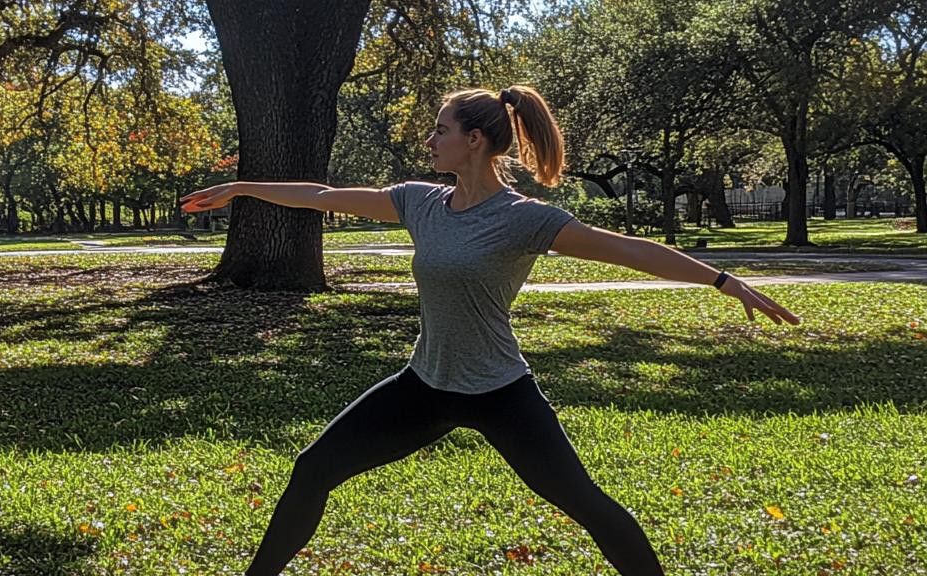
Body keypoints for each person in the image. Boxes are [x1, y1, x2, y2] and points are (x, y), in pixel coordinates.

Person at [180, 85, 801, 576]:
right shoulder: (419, 202)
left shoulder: (524, 220)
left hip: (502, 393)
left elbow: (628, 249)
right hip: (425, 384)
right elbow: (321, 194)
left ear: (474, 140)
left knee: (584, 503)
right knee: (313, 469)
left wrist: (723, 281)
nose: (430, 141)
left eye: (440, 131)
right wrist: (240, 187)